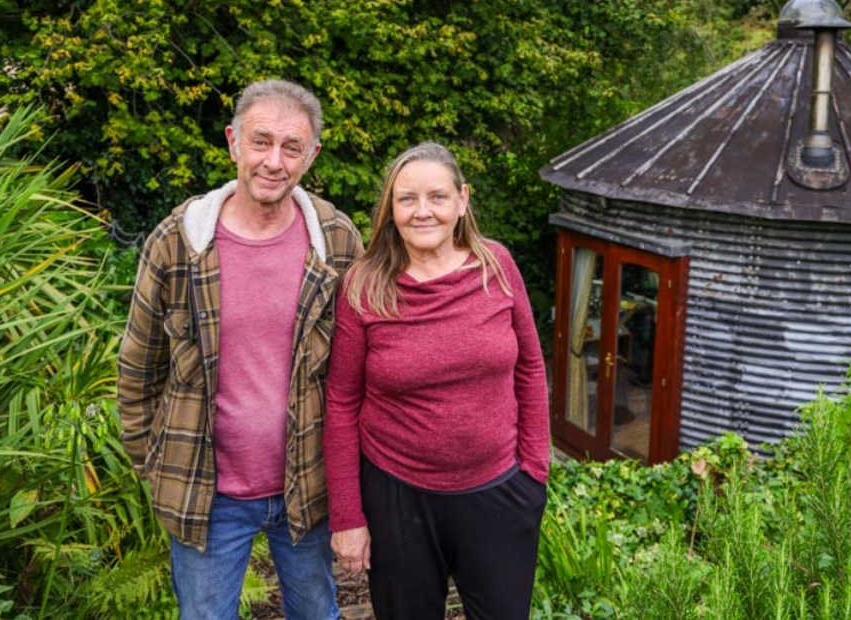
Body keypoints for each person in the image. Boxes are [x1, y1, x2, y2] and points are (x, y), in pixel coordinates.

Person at [117, 79, 363, 619]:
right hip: (207, 492)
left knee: (316, 614)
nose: (274, 161)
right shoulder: (178, 241)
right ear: (233, 142)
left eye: (291, 147)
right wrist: (150, 464)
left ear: (311, 156)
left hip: (308, 485)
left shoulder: (338, 240)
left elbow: (359, 372)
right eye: (261, 141)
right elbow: (138, 366)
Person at [324, 141, 550, 619]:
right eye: (407, 199)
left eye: (437, 197)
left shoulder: (497, 267)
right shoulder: (365, 285)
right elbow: (342, 403)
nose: (422, 211)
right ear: (391, 208)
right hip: (396, 497)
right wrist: (348, 516)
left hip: (499, 492)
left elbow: (530, 368)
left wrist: (534, 470)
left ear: (462, 200)